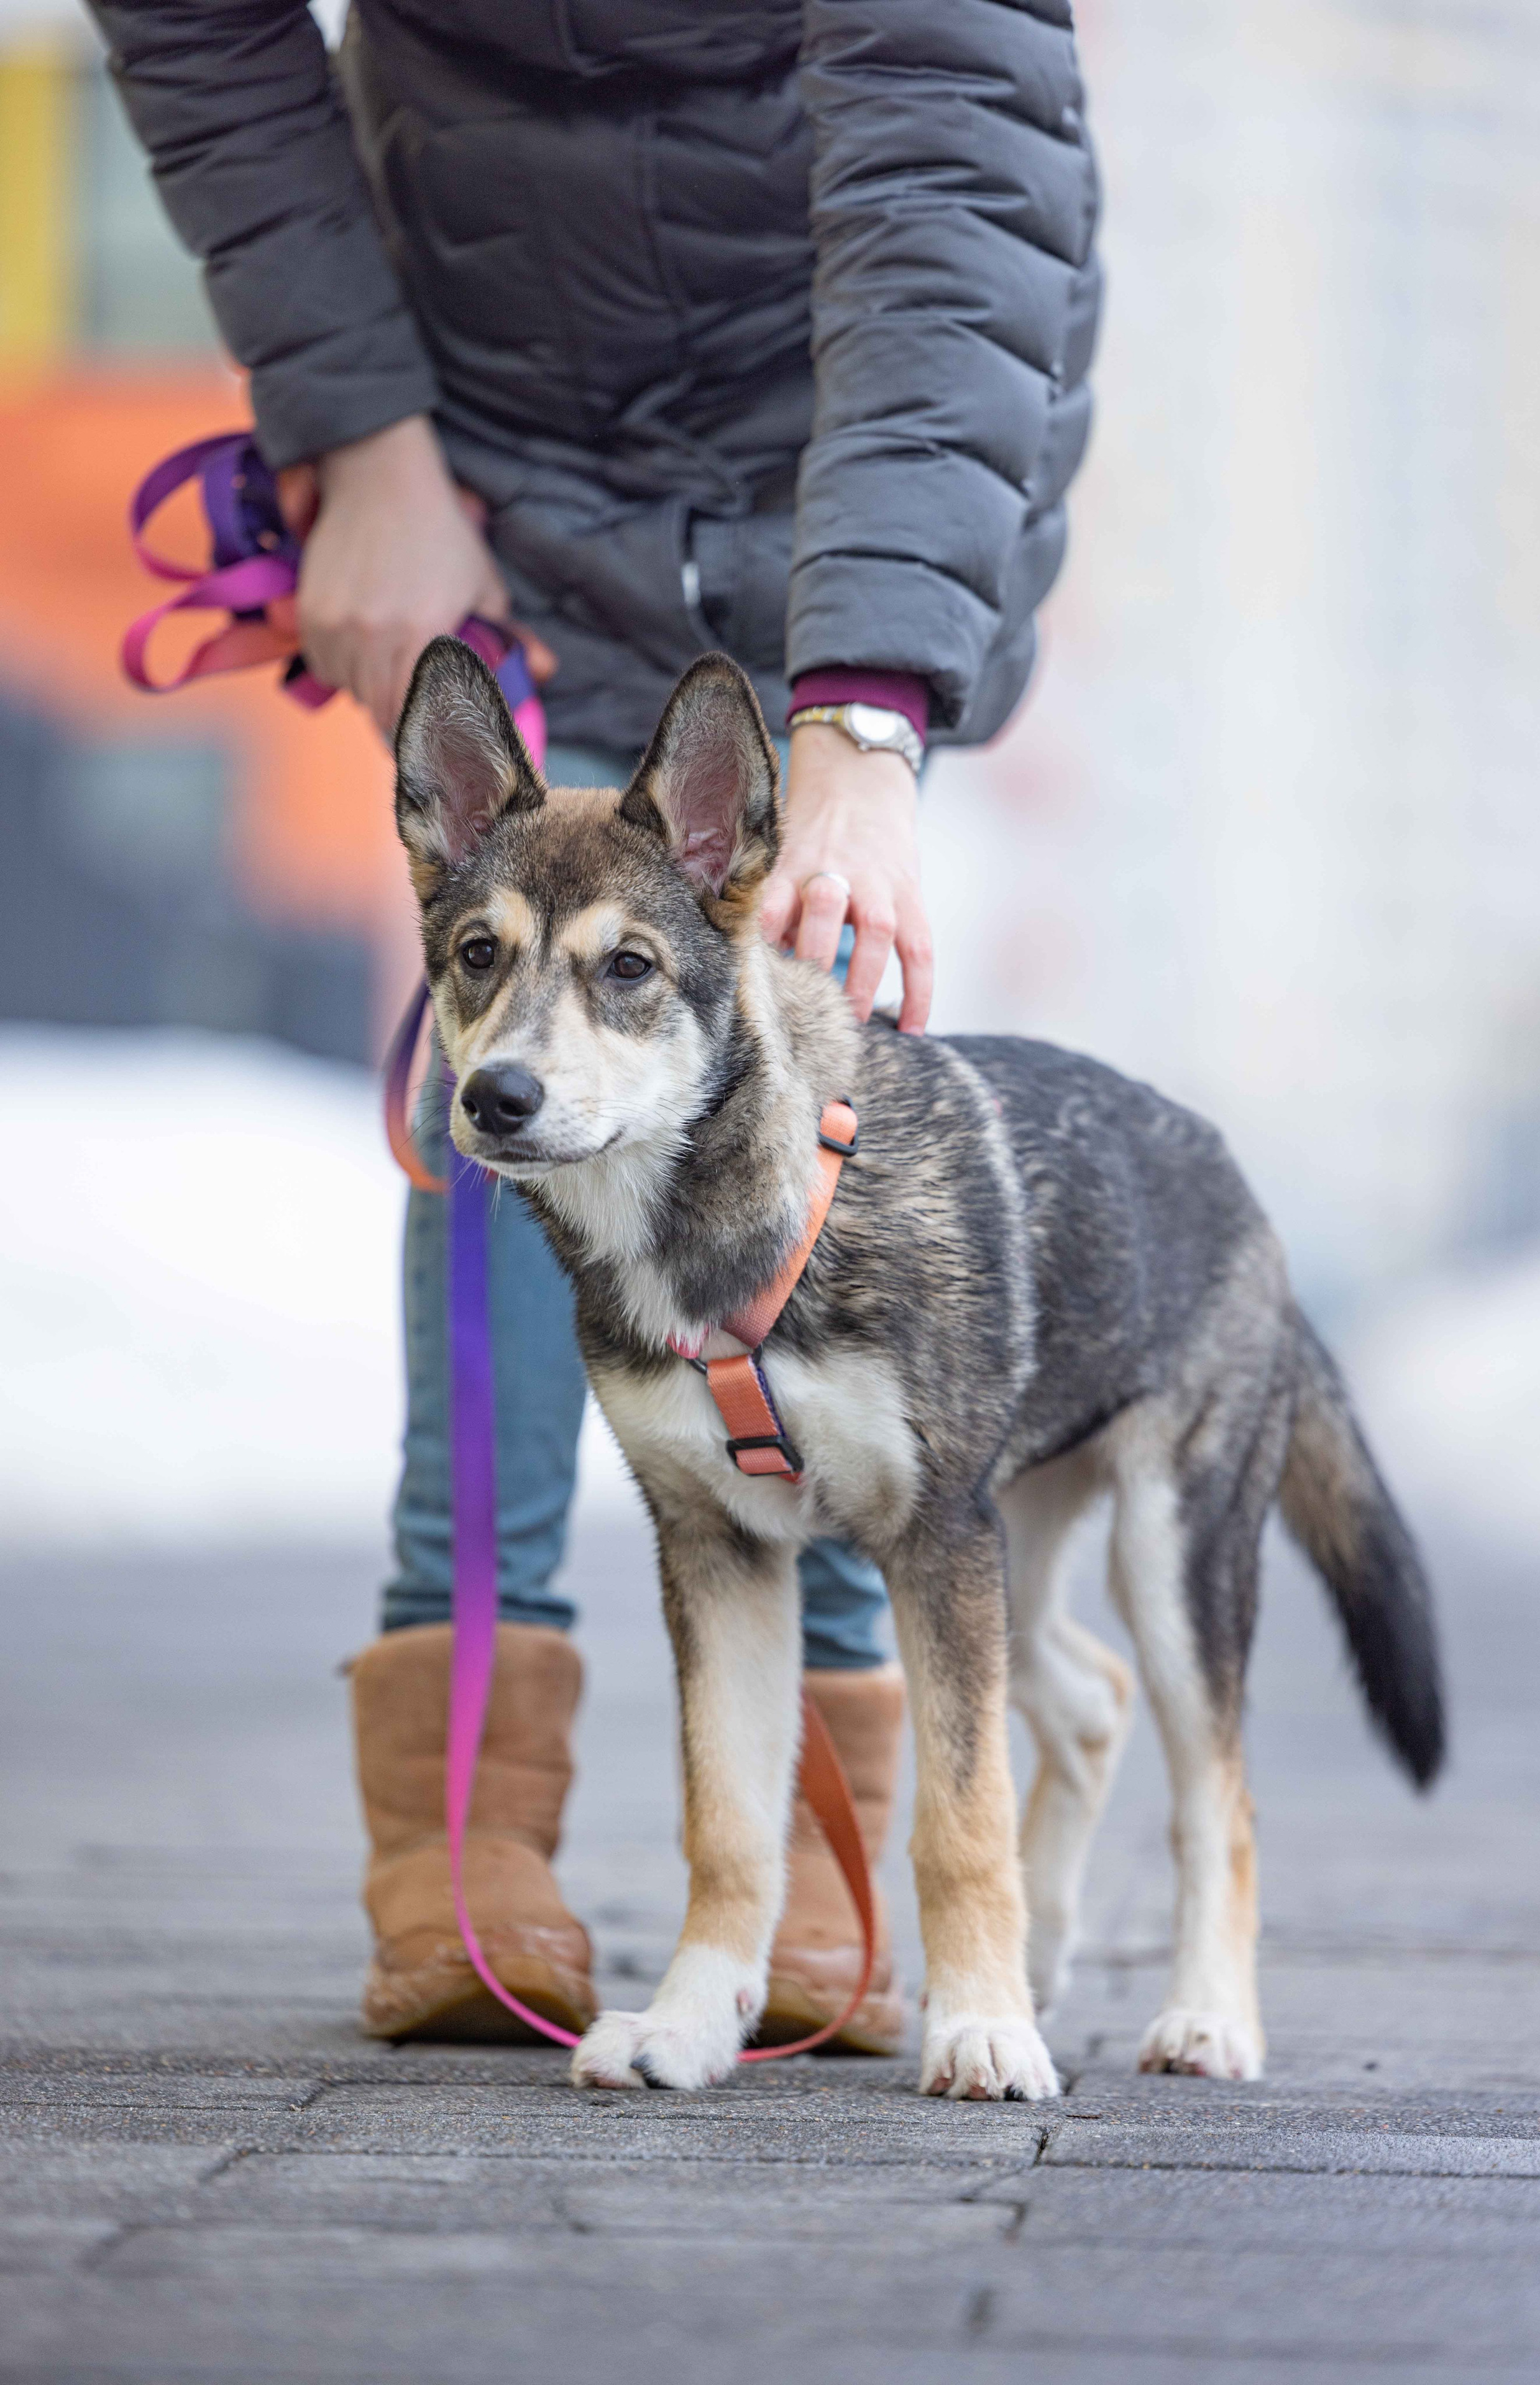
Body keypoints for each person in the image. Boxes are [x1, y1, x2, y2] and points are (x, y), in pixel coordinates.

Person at [91, 0, 1101, 2053]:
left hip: (852, 394)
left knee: (797, 1061)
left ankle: (836, 1814)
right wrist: (355, 432)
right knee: (513, 1062)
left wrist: (871, 697)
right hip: (480, 385)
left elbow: (958, 144)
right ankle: (463, 1803)